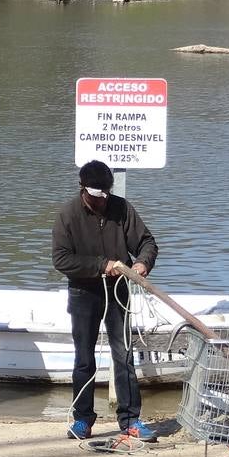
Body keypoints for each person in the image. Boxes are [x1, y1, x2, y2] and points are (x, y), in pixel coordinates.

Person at [52, 160, 159, 442]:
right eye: (97, 194)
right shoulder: (68, 215)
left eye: (106, 194)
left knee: (123, 355)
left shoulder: (122, 208)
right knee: (84, 359)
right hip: (83, 293)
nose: (103, 199)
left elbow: (147, 242)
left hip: (118, 293)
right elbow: (61, 259)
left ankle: (131, 419)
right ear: (83, 189)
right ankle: (82, 419)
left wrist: (141, 264)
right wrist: (102, 265)